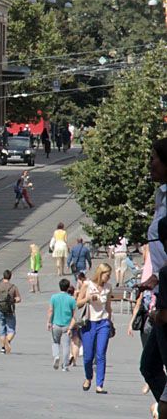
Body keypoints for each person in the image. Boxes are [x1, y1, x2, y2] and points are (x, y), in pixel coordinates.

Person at [139, 137, 167, 419]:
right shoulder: (162, 195)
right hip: (162, 286)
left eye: (154, 158)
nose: (150, 163)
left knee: (151, 363)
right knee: (149, 364)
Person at [77, 263, 113, 393]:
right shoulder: (87, 285)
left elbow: (108, 307)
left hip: (103, 323)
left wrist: (110, 322)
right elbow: (78, 303)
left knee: (101, 354)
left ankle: (99, 384)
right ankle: (88, 377)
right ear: (100, 273)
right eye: (107, 275)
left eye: (109, 275)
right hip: (88, 323)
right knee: (88, 356)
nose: (108, 278)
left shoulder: (108, 287)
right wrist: (87, 298)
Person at [48, 278, 77, 372]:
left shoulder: (54, 297)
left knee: (55, 342)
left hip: (56, 323)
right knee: (66, 345)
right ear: (68, 287)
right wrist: (71, 327)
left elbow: (51, 310)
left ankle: (56, 356)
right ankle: (65, 366)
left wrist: (49, 322)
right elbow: (74, 315)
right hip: (67, 325)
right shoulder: (71, 299)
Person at [0, 269, 21, 354]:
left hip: (0, 310)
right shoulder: (13, 287)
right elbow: (19, 299)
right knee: (11, 329)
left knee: (2, 327)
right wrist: (13, 300)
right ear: (10, 277)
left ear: (3, 276)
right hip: (10, 310)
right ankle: (7, 341)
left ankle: (3, 348)